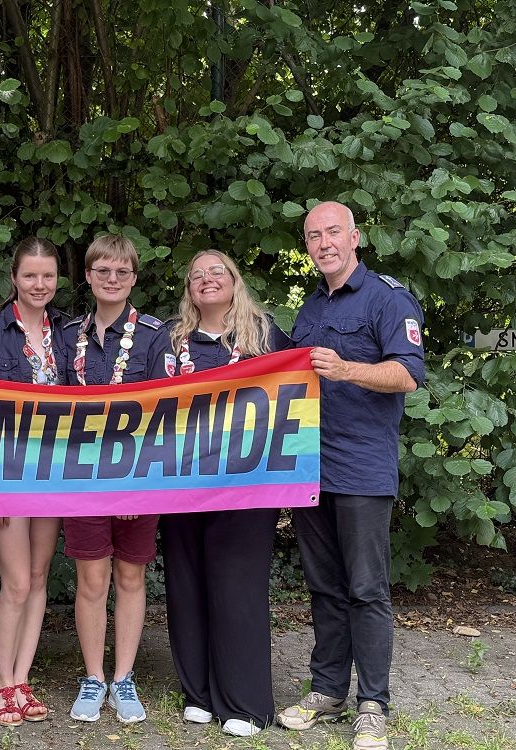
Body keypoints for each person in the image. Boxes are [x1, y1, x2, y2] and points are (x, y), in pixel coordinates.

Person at [276, 202, 425, 750]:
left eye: (333, 232)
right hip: (310, 467)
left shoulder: (389, 298)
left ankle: (373, 704)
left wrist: (345, 369)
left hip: (361, 468)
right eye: (314, 235)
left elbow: (408, 374)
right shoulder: (311, 306)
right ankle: (327, 690)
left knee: (366, 589)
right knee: (325, 586)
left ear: (355, 237)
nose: (324, 243)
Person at [161, 249, 290, 738]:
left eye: (217, 271)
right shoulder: (169, 340)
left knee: (238, 587)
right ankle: (197, 694)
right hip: (179, 482)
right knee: (186, 583)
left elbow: (294, 393)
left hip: (246, 485)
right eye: (197, 274)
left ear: (235, 281)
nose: (207, 279)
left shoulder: (266, 336)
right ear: (189, 289)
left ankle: (244, 703)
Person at [60, 235, 170, 724]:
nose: (112, 279)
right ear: (88, 276)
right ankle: (93, 677)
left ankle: (123, 677)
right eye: (102, 270)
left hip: (138, 478)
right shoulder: (67, 334)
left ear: (134, 278)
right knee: (91, 578)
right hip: (81, 478)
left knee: (129, 576)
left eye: (122, 271)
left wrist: (133, 486)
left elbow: (167, 410)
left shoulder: (154, 335)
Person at [0, 237, 69, 726]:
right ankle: (2, 683)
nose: (39, 284)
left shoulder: (66, 332)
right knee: (18, 581)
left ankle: (23, 679)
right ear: (14, 279)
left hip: (54, 471)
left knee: (40, 577)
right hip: (5, 472)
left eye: (47, 276)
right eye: (30, 275)